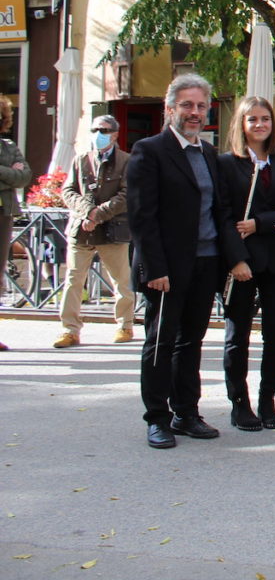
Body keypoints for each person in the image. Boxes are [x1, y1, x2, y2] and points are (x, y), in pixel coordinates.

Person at [128, 74, 249, 449]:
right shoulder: (149, 151)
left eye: (201, 106)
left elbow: (221, 211)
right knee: (161, 342)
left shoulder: (210, 154)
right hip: (166, 268)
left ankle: (186, 413)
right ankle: (157, 418)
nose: (195, 113)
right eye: (187, 105)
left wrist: (233, 259)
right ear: (170, 109)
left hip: (206, 262)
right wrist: (155, 269)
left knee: (191, 342)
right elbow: (141, 218)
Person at [219, 95, 275, 432]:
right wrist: (236, 260)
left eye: (265, 119)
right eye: (252, 119)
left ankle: (268, 398)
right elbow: (223, 215)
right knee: (237, 335)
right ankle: (239, 402)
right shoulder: (227, 164)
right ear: (242, 124)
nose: (260, 125)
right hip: (242, 263)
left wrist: (261, 223)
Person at [55, 115, 135, 348]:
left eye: (104, 129)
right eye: (95, 129)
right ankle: (70, 330)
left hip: (113, 230)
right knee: (73, 280)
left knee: (120, 280)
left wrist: (98, 215)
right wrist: (87, 212)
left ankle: (125, 325)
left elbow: (126, 195)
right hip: (82, 229)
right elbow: (68, 191)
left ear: (115, 134)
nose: (99, 133)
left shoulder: (126, 161)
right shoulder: (81, 159)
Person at [0, 96, 30, 326]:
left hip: (4, 214)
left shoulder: (8, 147)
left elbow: (24, 177)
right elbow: (15, 175)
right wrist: (8, 173)